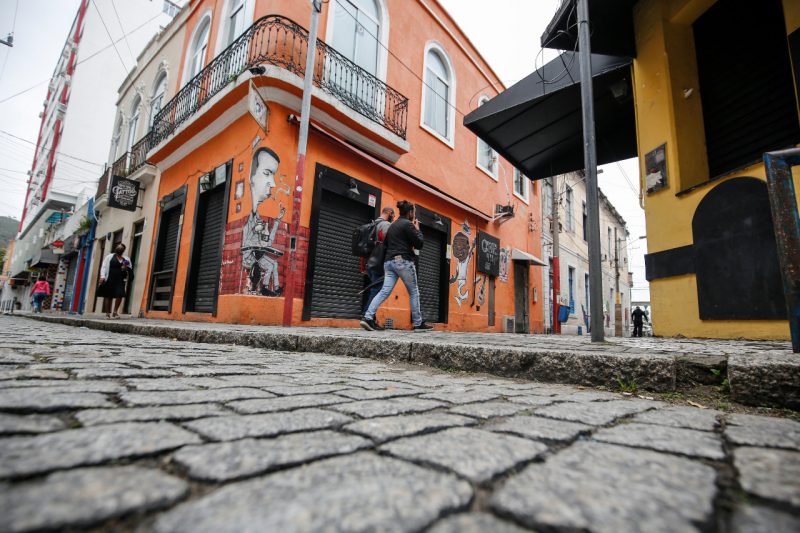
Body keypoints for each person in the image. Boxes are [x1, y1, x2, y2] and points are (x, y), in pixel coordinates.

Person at [361, 200, 433, 331]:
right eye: (414, 212)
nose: (414, 215)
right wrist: (418, 230)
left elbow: (386, 245)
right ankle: (418, 323)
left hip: (389, 263)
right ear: (410, 212)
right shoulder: (408, 225)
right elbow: (419, 244)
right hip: (403, 261)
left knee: (384, 291)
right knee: (414, 292)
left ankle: (368, 317)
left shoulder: (392, 225)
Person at [241, 146, 285, 296]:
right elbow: (246, 241)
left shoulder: (258, 218)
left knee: (273, 264)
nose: (273, 184)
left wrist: (277, 220)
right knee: (269, 263)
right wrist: (256, 231)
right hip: (250, 258)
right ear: (251, 177)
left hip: (258, 256)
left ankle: (270, 287)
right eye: (266, 173)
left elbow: (268, 241)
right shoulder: (250, 220)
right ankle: (264, 288)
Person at [362, 206, 395, 313]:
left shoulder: (373, 224)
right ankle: (367, 315)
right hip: (378, 263)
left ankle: (370, 316)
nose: (393, 218)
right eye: (393, 215)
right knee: (377, 289)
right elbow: (389, 243)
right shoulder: (386, 225)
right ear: (389, 213)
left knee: (375, 288)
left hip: (369, 262)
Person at [98, 243, 132, 319]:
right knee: (108, 295)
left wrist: (125, 268)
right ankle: (107, 313)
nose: (119, 248)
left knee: (120, 294)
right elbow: (104, 266)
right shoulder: (109, 257)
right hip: (110, 278)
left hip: (120, 279)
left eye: (121, 248)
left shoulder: (126, 259)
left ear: (123, 250)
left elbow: (130, 268)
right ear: (116, 248)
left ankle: (115, 312)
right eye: (118, 247)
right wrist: (102, 276)